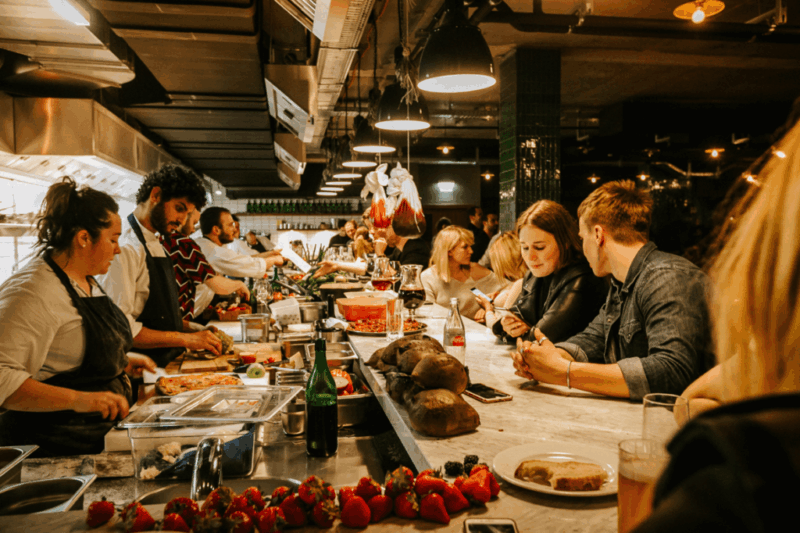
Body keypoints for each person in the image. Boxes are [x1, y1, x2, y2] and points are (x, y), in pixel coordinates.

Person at [633, 118, 800, 532]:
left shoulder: (746, 480)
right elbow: (689, 399)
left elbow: (671, 374)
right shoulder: (619, 284)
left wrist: (564, 368)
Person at [512, 181, 714, 400]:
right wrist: (547, 358)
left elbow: (672, 370)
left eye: (582, 238)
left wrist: (564, 373)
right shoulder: (622, 282)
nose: (582, 246)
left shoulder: (667, 277)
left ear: (598, 234)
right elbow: (594, 339)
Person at [0, 178, 156, 456]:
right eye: (113, 239)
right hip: (51, 447)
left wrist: (118, 361)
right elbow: (3, 376)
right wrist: (78, 399)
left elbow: (65, 351)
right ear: (84, 238)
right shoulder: (32, 291)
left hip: (95, 437)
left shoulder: (86, 280)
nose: (118, 249)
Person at [99, 164, 222, 367]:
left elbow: (158, 317)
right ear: (155, 195)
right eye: (179, 208)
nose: (181, 221)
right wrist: (187, 339)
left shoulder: (155, 242)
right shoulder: (126, 247)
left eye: (187, 213)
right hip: (144, 368)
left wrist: (193, 328)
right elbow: (121, 327)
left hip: (168, 363)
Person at [481, 202, 607, 345]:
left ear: (564, 242)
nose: (531, 257)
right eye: (525, 248)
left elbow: (542, 337)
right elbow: (514, 322)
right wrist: (506, 326)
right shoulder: (533, 275)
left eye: (539, 247)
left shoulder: (581, 278)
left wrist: (524, 331)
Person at [160, 209, 250, 321]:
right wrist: (239, 284)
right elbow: (213, 282)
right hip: (173, 321)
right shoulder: (183, 243)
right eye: (193, 223)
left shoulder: (163, 240)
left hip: (167, 319)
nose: (193, 230)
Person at [421, 226, 507, 320]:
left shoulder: (474, 270)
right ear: (449, 251)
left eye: (470, 246)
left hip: (479, 331)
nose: (471, 251)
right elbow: (427, 315)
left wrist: (488, 308)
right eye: (465, 247)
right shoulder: (428, 277)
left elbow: (509, 289)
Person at [196, 207, 284, 279]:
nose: (234, 230)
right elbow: (249, 265)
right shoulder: (214, 251)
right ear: (216, 230)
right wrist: (274, 259)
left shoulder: (207, 244)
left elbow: (243, 258)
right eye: (230, 225)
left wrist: (272, 254)